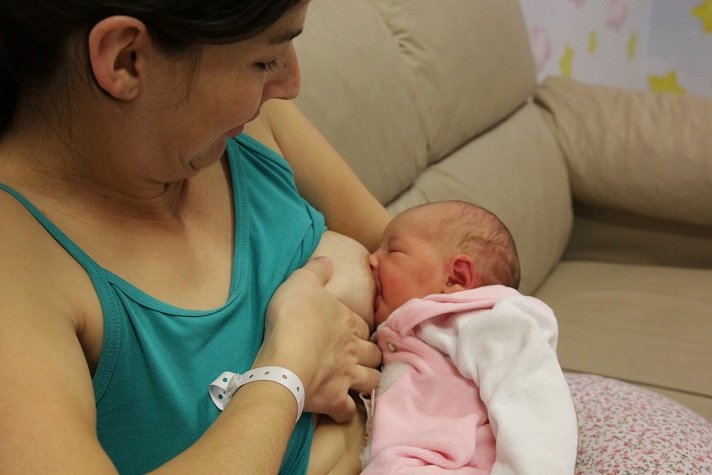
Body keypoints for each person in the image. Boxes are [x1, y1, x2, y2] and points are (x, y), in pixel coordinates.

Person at [0, 1, 391, 473]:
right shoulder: (19, 268)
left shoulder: (242, 128)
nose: (289, 84)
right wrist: (286, 372)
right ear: (126, 58)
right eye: (265, 60)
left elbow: (411, 249)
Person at [360, 201, 578, 473]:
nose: (370, 259)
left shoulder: (489, 321)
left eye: (393, 250)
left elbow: (535, 405)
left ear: (456, 277)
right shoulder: (404, 329)